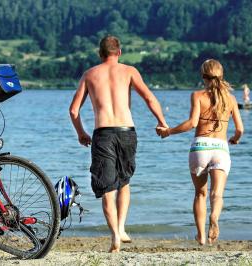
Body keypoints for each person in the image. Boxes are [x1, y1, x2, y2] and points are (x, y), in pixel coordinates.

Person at [69, 35, 168, 252]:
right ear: (119, 52)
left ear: (100, 54)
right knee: (124, 181)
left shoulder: (90, 74)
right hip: (126, 131)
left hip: (102, 133)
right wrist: (162, 122)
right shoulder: (130, 71)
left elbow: (74, 110)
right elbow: (150, 98)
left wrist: (81, 133)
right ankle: (122, 228)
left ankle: (114, 235)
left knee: (107, 188)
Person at [156, 59, 244, 245]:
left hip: (200, 148)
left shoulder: (197, 95)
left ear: (203, 76)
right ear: (222, 75)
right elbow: (240, 129)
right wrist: (235, 139)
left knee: (200, 194)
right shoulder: (231, 99)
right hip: (220, 148)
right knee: (217, 194)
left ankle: (201, 236)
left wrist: (169, 131)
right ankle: (214, 218)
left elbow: (192, 124)